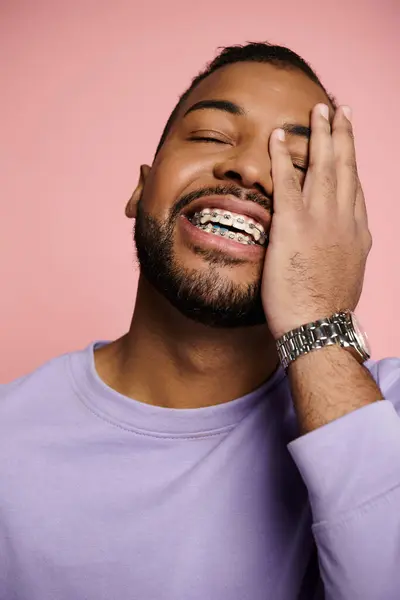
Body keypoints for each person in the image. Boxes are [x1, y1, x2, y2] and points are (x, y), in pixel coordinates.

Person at [0, 41, 399, 600]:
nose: (251, 170)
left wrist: (319, 322)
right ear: (141, 189)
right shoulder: (8, 441)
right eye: (212, 136)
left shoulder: (385, 418)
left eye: (298, 168)